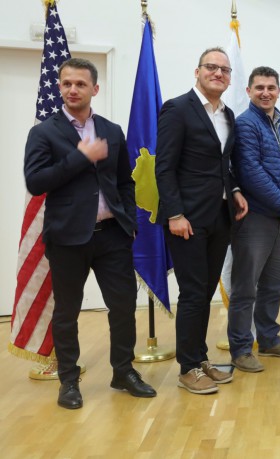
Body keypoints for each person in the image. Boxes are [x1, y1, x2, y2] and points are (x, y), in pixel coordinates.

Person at [24, 57, 156, 409]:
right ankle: (69, 380)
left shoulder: (111, 130)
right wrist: (80, 157)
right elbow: (35, 182)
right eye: (66, 83)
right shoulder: (44, 132)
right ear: (59, 87)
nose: (73, 89)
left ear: (94, 89)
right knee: (67, 312)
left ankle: (123, 371)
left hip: (112, 235)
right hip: (67, 238)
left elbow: (125, 181)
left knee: (123, 306)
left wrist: (130, 221)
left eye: (80, 84)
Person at [156, 47, 249, 394]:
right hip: (187, 219)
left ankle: (200, 358)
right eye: (212, 67)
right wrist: (175, 214)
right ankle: (187, 368)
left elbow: (224, 164)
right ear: (197, 72)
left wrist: (235, 189)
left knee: (205, 292)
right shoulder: (177, 109)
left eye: (225, 70)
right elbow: (164, 167)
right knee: (193, 293)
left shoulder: (228, 115)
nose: (219, 73)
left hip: (220, 218)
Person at [228, 66, 280, 372]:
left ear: (278, 91)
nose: (265, 93)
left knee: (275, 283)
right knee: (245, 287)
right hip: (256, 219)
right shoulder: (245, 124)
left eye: (271, 87)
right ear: (248, 91)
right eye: (259, 87)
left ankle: (269, 339)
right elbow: (250, 171)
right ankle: (240, 348)